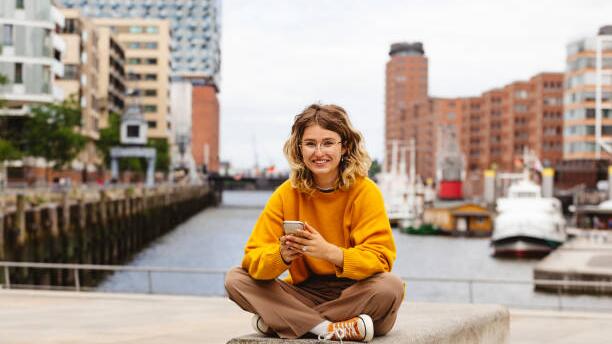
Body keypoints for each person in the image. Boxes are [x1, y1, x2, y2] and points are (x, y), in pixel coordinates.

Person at [224, 104, 403, 342]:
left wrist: (330, 252)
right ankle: (329, 330)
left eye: (328, 143)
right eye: (310, 144)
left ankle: (281, 322)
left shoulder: (365, 192)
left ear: (345, 146)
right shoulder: (286, 193)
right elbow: (253, 258)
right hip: (304, 292)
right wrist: (283, 255)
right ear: (299, 149)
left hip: (357, 292)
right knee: (235, 279)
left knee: (390, 287)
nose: (319, 152)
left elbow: (381, 258)